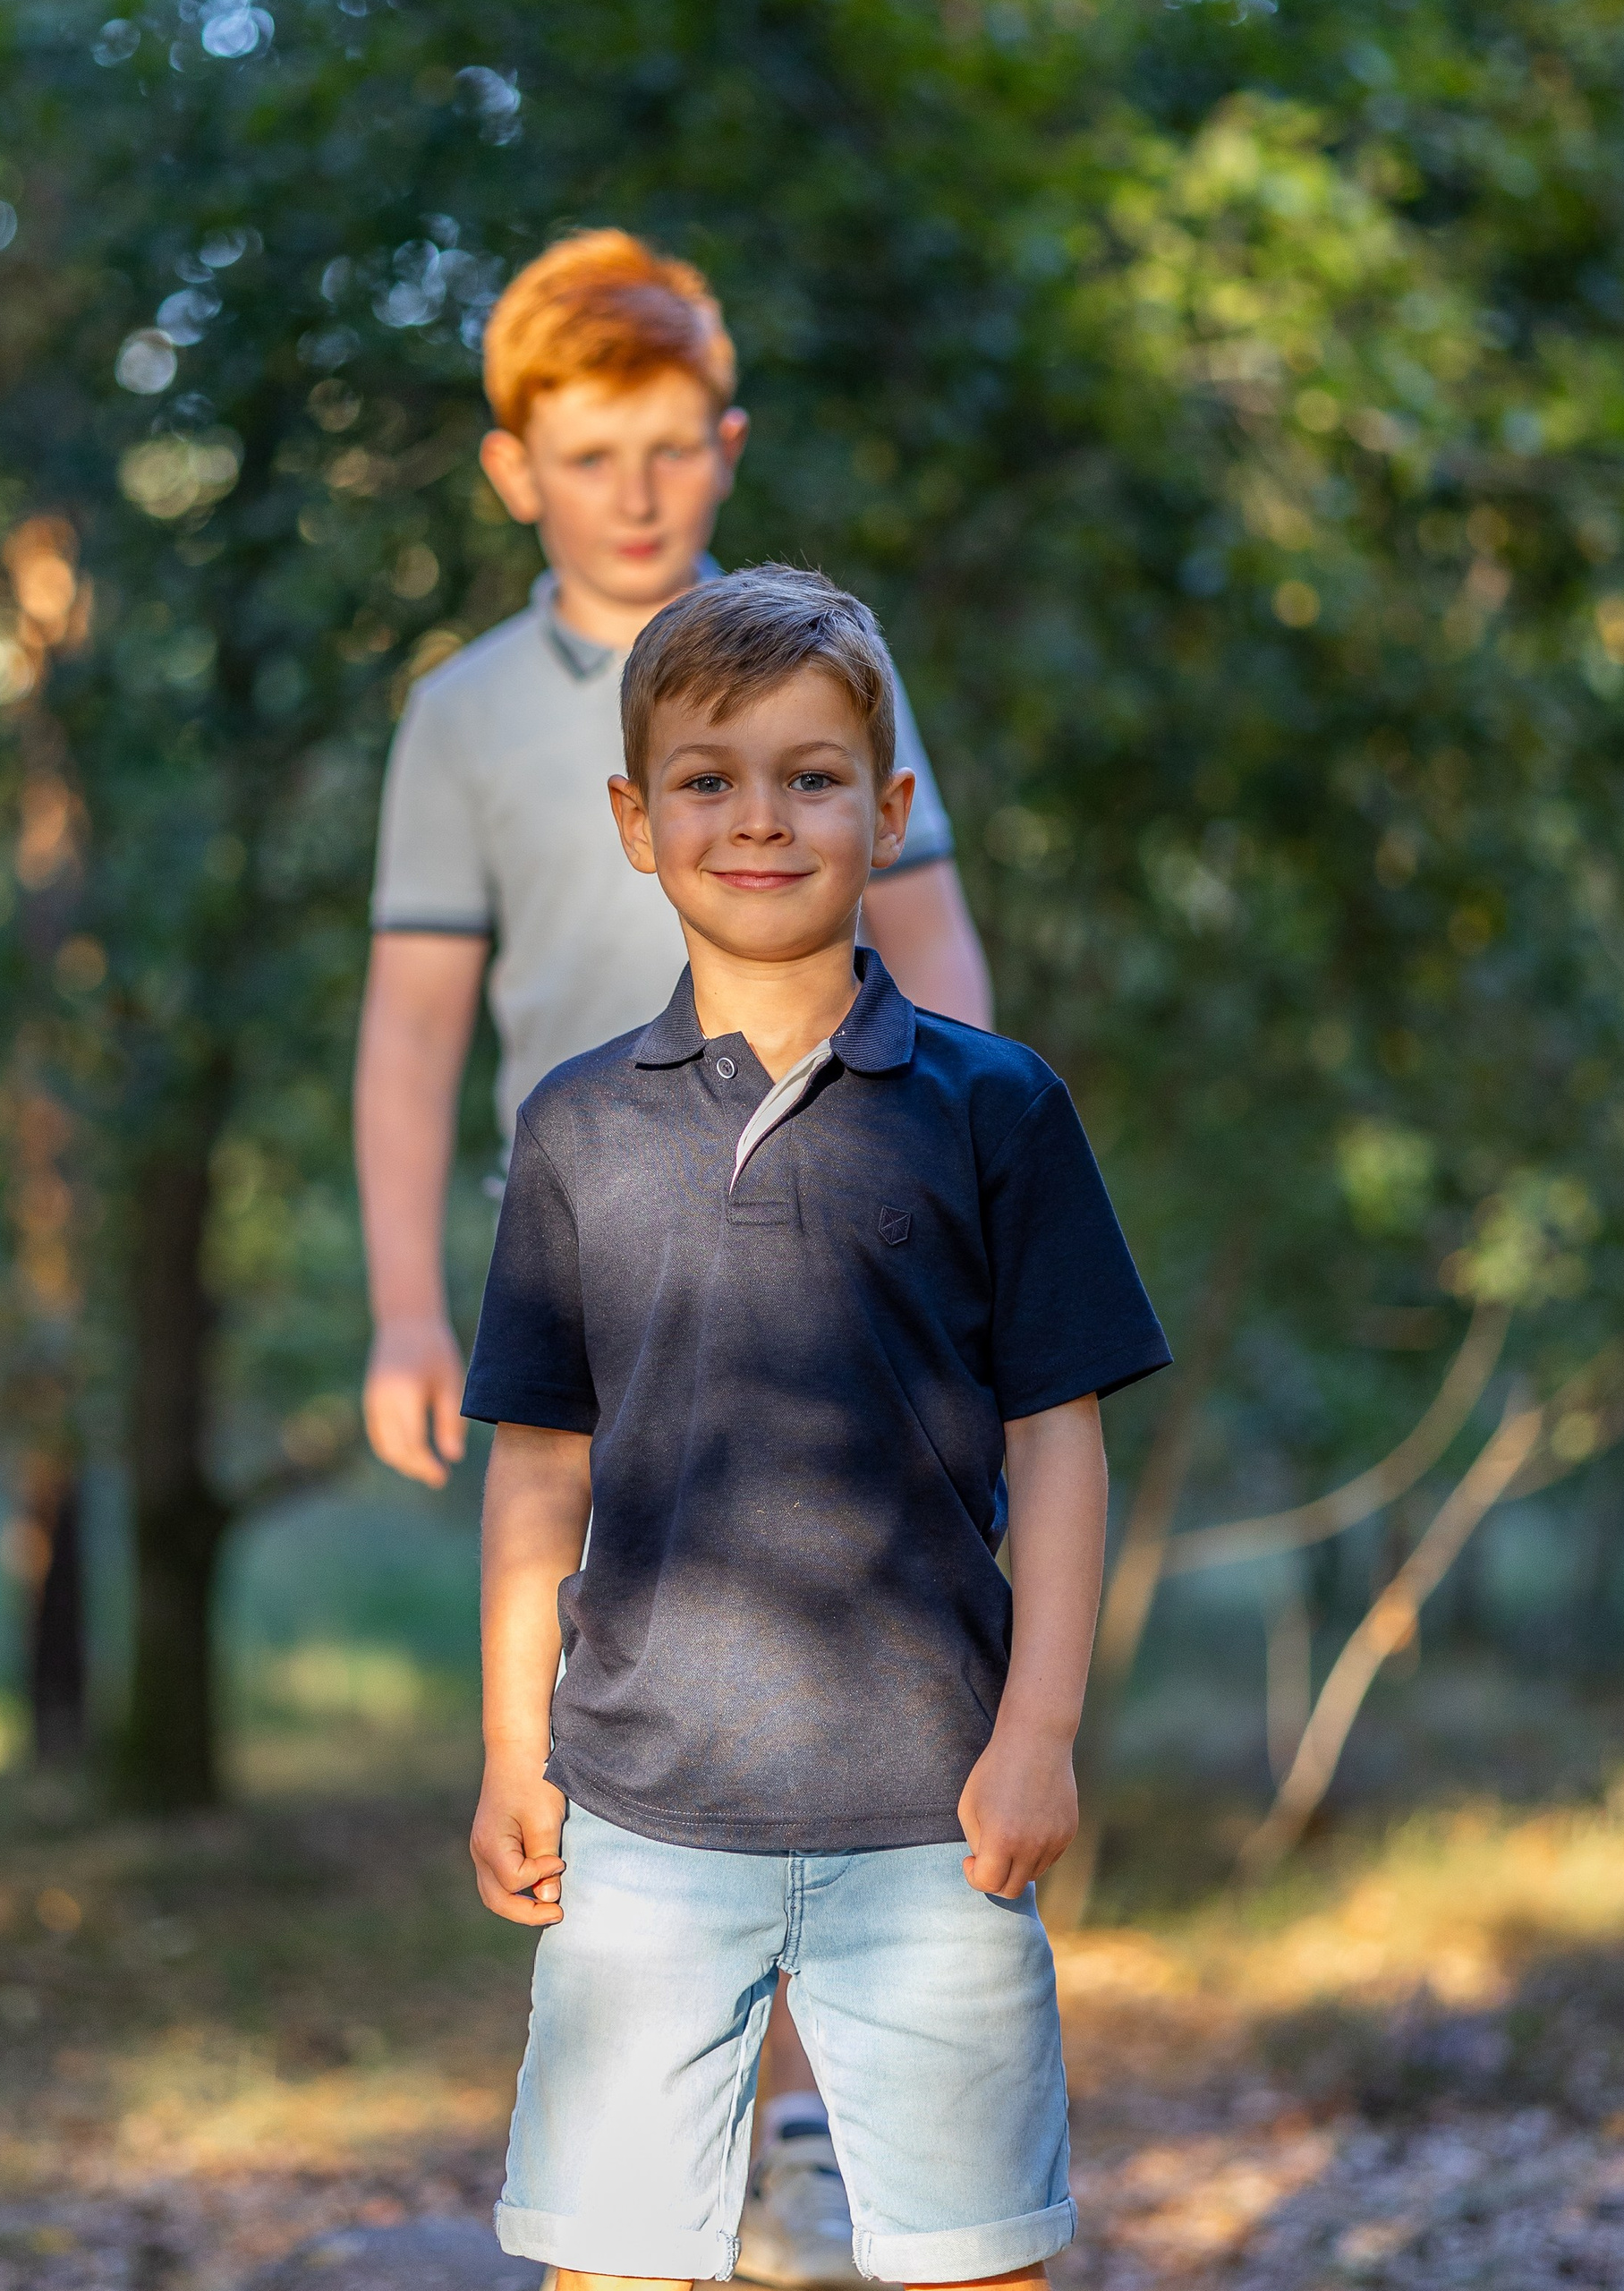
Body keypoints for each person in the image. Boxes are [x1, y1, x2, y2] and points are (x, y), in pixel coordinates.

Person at [353, 230, 992, 2284]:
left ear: (722, 447)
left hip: (837, 1258)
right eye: (584, 448)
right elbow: (409, 1023)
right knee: (633, 1691)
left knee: (826, 1672)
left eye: (663, 446)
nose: (630, 486)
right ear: (513, 466)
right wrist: (396, 1305)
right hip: (603, 1263)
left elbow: (950, 961)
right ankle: (659, 2132)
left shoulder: (827, 673)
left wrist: (978, 1217)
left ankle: (806, 2132)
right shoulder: (459, 714)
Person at [461, 566, 1169, 2289]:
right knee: (608, 2264)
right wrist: (508, 1749)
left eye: (811, 775)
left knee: (977, 2265)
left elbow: (1059, 1445)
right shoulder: (573, 1134)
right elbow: (539, 1470)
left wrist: (1041, 1734)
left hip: (935, 1812)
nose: (758, 818)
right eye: (707, 778)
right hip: (640, 1819)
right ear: (637, 819)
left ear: (890, 809)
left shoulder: (997, 1110)